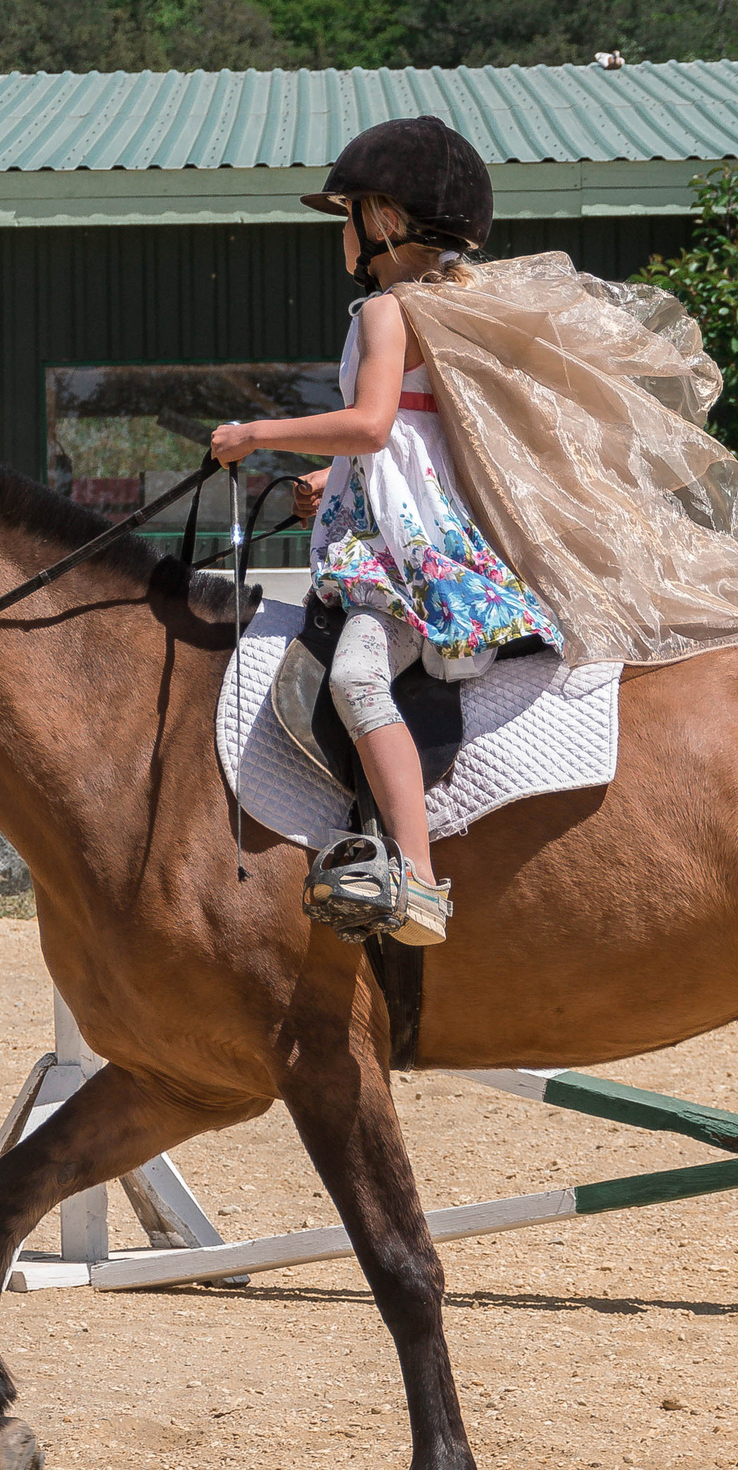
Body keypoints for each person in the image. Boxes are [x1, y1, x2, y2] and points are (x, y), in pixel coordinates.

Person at [210, 115, 557, 949]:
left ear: (383, 222)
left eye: (347, 214)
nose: (341, 233)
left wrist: (259, 434)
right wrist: (333, 485)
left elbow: (369, 424)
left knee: (358, 678)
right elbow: (417, 433)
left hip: (409, 553)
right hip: (427, 518)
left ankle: (419, 878)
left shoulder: (383, 311)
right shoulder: (444, 311)